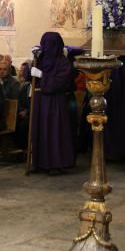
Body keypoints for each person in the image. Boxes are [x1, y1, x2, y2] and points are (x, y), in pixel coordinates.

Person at [29, 32, 76, 175]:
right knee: (40, 130)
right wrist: (32, 62)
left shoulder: (63, 61)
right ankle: (39, 163)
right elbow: (28, 75)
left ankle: (56, 163)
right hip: (40, 100)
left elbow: (60, 82)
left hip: (55, 101)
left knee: (54, 131)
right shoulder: (40, 58)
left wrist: (42, 75)